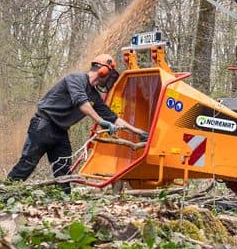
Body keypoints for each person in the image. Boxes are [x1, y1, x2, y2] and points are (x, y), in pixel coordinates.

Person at [8, 54, 148, 192]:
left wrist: (137, 132)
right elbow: (81, 102)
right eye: (110, 75)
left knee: (64, 174)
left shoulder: (94, 96)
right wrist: (100, 122)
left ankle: (64, 201)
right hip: (43, 125)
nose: (110, 80)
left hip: (61, 132)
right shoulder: (76, 79)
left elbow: (113, 118)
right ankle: (3, 192)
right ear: (102, 70)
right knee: (27, 164)